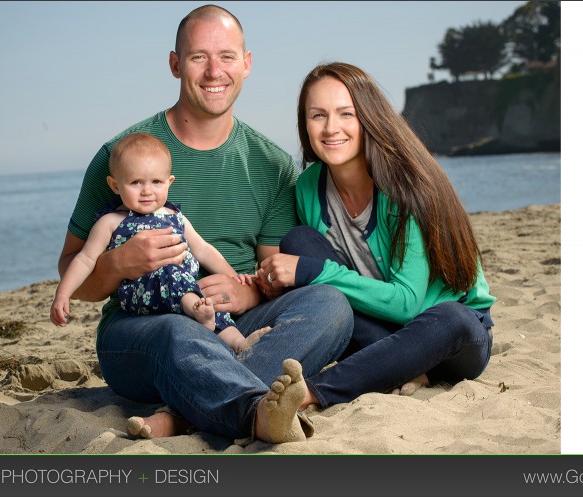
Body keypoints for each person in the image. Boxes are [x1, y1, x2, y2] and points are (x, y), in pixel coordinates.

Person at [57, 5, 352, 443]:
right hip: (144, 329)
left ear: (247, 64)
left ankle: (187, 414)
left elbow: (273, 274)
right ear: (176, 64)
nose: (215, 71)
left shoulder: (272, 165)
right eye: (198, 57)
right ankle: (250, 411)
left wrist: (247, 289)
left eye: (227, 56)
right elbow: (72, 275)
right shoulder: (122, 158)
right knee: (176, 329)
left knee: (331, 305)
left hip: (231, 324)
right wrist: (119, 264)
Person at [253, 62, 497, 410]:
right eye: (318, 115)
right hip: (381, 330)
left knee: (451, 318)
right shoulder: (308, 187)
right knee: (299, 242)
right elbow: (338, 291)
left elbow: (407, 304)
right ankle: (400, 367)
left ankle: (312, 393)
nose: (331, 128)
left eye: (345, 114)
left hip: (451, 335)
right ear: (304, 124)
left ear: (368, 117)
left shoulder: (405, 186)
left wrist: (309, 273)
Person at [50, 132, 267, 354]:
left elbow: (204, 250)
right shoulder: (111, 222)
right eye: (135, 182)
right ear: (115, 185)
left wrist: (234, 278)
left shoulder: (175, 215)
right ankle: (196, 311)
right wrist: (63, 293)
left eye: (156, 182)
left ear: (169, 182)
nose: (147, 191)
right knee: (170, 276)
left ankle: (240, 344)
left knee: (212, 305)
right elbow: (85, 259)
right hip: (142, 293)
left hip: (186, 288)